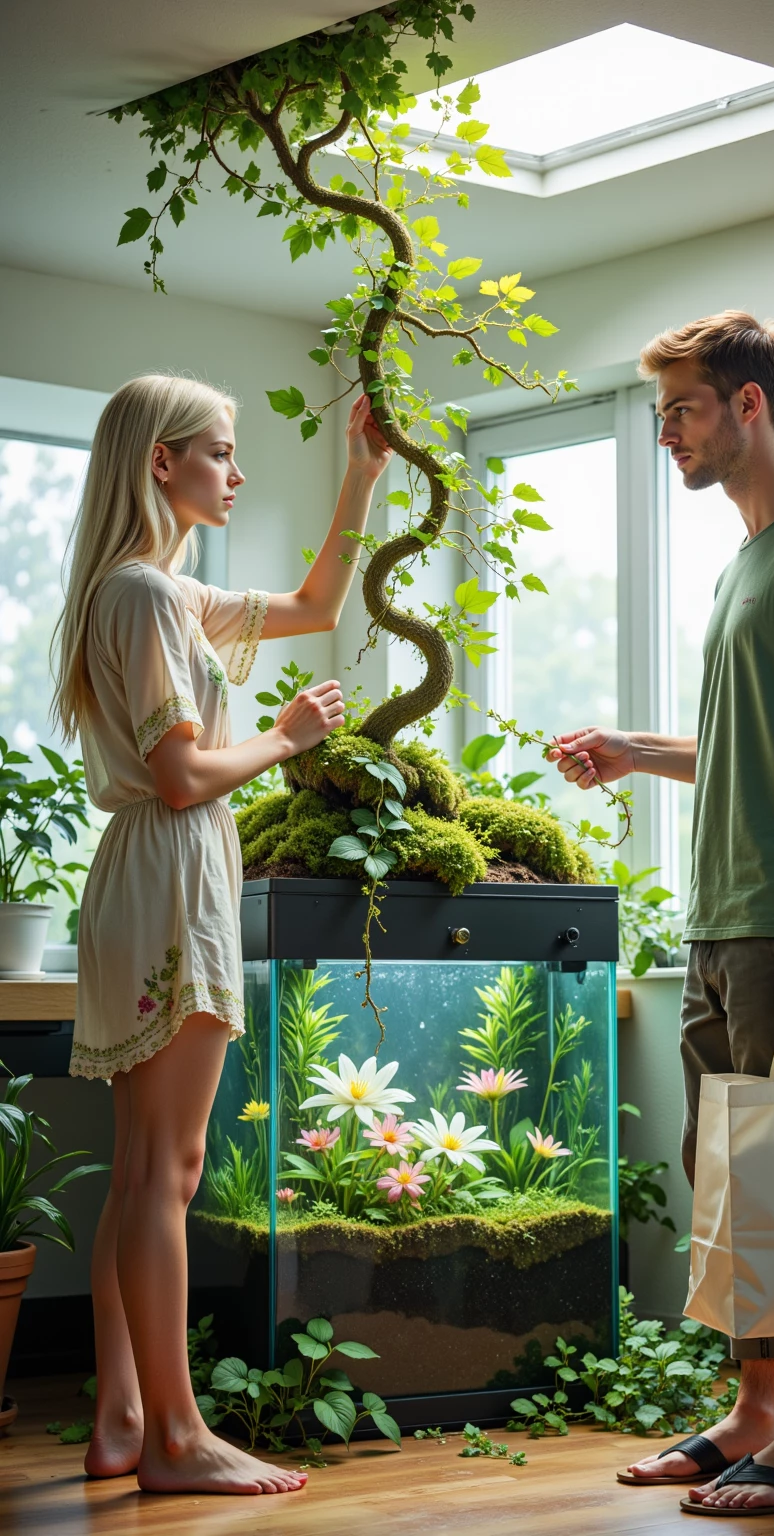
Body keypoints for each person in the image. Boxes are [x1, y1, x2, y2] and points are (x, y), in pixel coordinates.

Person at [549, 312, 774, 1516]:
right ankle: (752, 1413)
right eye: (659, 416)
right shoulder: (742, 561)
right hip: (719, 920)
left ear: (748, 405)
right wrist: (632, 749)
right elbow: (757, 749)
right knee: (732, 1182)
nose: (666, 435)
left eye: (681, 410)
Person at [52, 374, 391, 1495]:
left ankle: (121, 1416)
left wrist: (361, 473)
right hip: (167, 869)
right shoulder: (147, 597)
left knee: (146, 1169)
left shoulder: (157, 594)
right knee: (169, 1170)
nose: (236, 474)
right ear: (162, 462)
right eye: (220, 453)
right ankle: (178, 1439)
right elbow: (183, 773)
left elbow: (316, 603)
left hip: (149, 876)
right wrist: (290, 739)